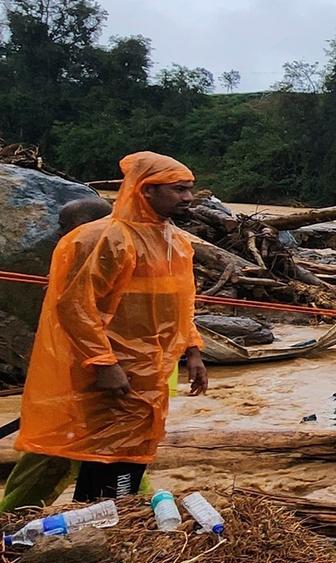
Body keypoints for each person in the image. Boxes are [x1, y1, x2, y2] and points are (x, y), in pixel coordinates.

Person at [11, 153, 207, 505]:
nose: (188, 198)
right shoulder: (107, 239)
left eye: (189, 189)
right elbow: (74, 305)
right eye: (179, 190)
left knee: (128, 457)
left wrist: (193, 351)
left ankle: (110, 523)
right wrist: (104, 363)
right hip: (104, 373)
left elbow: (181, 302)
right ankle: (34, 526)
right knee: (93, 457)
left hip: (150, 374)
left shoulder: (176, 243)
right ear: (147, 190)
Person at [2, 196, 116, 513]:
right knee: (99, 455)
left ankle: (12, 517)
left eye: (64, 227)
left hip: (91, 381)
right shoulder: (76, 259)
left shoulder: (112, 261)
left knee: (77, 455)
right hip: (68, 383)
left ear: (89, 227)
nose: (58, 235)